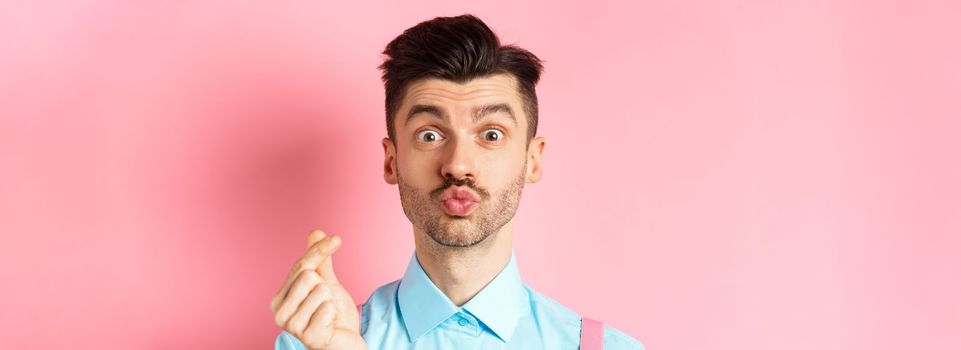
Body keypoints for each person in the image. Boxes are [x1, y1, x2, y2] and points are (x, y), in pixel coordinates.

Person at [269, 14, 645, 350]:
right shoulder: (313, 344)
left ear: (532, 160)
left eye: (492, 134)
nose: (458, 165)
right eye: (429, 135)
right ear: (391, 160)